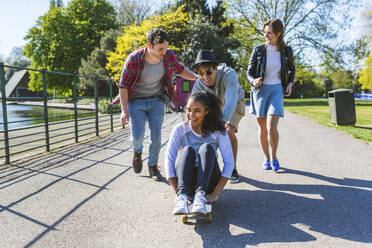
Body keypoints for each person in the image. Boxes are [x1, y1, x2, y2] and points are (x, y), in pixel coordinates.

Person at [117, 28, 198, 181]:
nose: (164, 52)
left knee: (156, 136)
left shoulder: (168, 56)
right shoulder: (134, 59)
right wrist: (124, 110)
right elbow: (123, 86)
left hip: (156, 100)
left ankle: (153, 166)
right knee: (138, 135)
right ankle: (137, 152)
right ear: (149, 46)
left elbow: (180, 70)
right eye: (160, 49)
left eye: (166, 48)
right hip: (136, 100)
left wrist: (197, 78)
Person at [165, 91, 234, 215]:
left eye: (197, 111)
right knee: (187, 150)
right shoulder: (180, 129)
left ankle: (200, 196)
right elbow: (169, 160)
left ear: (206, 112)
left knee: (207, 148)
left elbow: (229, 163)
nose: (191, 115)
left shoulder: (218, 132)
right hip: (186, 181)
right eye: (188, 109)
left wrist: (215, 193)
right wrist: (176, 191)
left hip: (208, 182)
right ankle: (183, 197)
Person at [247, 18, 295, 172]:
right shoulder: (258, 50)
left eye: (269, 33)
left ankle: (274, 156)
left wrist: (290, 83)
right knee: (262, 129)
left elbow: (292, 69)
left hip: (276, 90)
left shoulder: (286, 51)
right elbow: (249, 72)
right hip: (260, 92)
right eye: (265, 33)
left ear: (278, 33)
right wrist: (253, 81)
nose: (266, 36)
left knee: (271, 128)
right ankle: (266, 158)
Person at [191, 50, 245, 183]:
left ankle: (232, 168)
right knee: (204, 132)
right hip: (215, 106)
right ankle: (205, 167)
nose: (205, 77)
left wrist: (219, 123)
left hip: (235, 102)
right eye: (201, 73)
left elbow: (231, 100)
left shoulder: (229, 74)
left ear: (216, 68)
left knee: (227, 130)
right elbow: (191, 107)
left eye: (208, 72)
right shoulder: (199, 83)